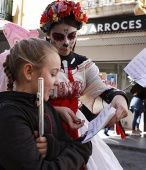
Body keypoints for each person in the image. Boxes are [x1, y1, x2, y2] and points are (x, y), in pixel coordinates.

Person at [40, 1, 129, 169]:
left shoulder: (83, 64)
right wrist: (55, 111)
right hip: (42, 125)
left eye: (71, 36)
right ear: (48, 34)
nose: (66, 43)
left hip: (76, 126)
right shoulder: (36, 60)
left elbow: (101, 86)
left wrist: (119, 98)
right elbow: (24, 96)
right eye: (59, 37)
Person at [0, 38, 92, 170]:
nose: (57, 82)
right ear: (29, 72)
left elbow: (67, 142)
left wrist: (53, 147)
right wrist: (81, 151)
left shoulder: (46, 107)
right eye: (53, 74)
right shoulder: (9, 116)